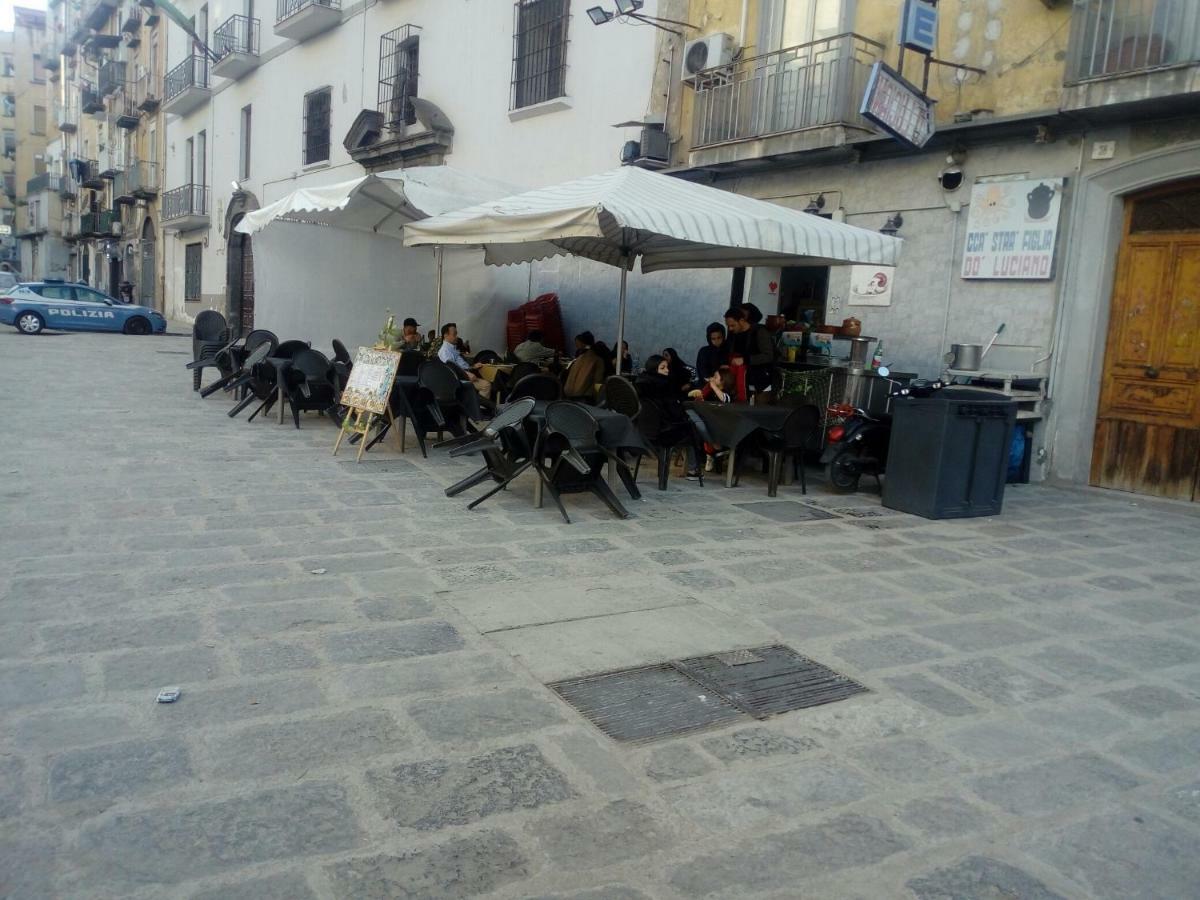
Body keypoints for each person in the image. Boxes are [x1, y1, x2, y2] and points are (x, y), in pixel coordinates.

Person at [724, 306, 776, 397]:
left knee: (759, 409)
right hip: (742, 383)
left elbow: (768, 356)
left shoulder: (759, 332)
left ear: (741, 321)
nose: (730, 329)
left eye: (733, 325)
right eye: (728, 326)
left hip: (760, 383)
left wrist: (745, 360)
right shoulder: (733, 335)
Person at [436, 322, 492, 400]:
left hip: (463, 374)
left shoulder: (451, 348)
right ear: (446, 335)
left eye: (456, 334)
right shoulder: (445, 350)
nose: (457, 337)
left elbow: (459, 364)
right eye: (454, 334)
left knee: (486, 376)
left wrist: (473, 366)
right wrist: (467, 374)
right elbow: (451, 368)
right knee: (486, 385)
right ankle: (478, 409)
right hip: (459, 378)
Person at [563, 332, 606, 400]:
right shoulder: (598, 360)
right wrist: (596, 396)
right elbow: (598, 382)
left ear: (581, 343)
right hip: (583, 398)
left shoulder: (578, 359)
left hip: (567, 395)